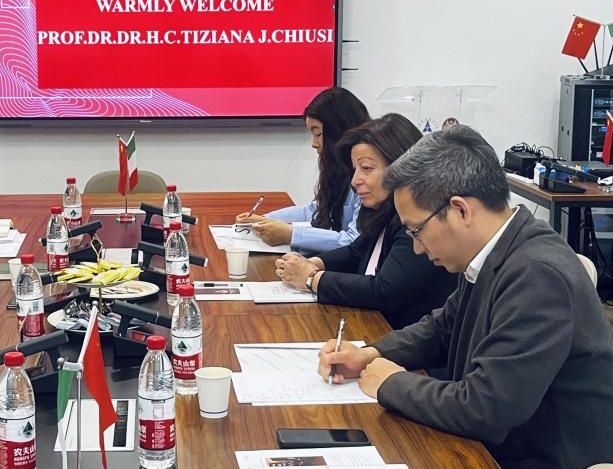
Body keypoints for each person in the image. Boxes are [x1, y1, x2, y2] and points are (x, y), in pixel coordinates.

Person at [318, 125, 613, 468]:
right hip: (497, 447)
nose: (417, 247)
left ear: (460, 210)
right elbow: (442, 326)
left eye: (416, 230)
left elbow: (486, 408)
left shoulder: (537, 274)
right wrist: (370, 354)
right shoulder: (498, 250)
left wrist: (392, 383)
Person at [275, 114, 457, 329]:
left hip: (401, 335)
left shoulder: (420, 220)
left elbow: (385, 291)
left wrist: (311, 278)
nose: (355, 181)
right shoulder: (384, 211)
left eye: (367, 169)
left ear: (402, 166)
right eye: (355, 169)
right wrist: (312, 263)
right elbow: (356, 252)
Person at [237, 87, 370, 253]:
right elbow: (316, 210)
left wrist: (291, 234)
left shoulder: (367, 178)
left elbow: (354, 241)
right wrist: (265, 221)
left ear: (339, 131)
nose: (314, 144)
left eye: (318, 134)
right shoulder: (339, 169)